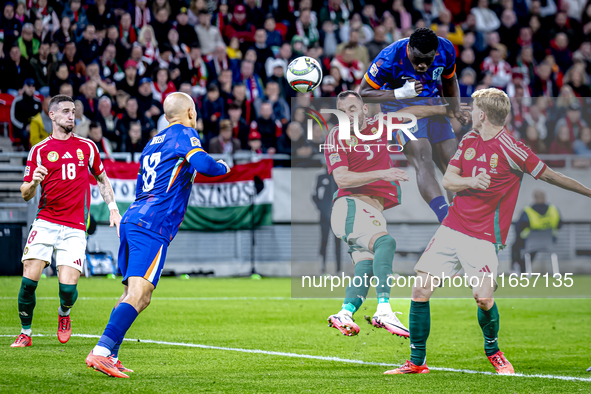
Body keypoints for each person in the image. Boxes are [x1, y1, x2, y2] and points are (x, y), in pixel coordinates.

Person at [385, 88, 591, 375]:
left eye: (474, 108)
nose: (469, 112)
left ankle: (493, 350)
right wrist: (472, 181)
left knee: (483, 298)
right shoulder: (469, 139)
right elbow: (448, 180)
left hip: (483, 235)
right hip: (452, 226)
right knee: (420, 289)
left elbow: (553, 176)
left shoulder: (513, 149)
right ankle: (416, 361)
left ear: (482, 114)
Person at [85, 92, 230, 378]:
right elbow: (205, 166)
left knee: (133, 292)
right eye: (195, 111)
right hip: (152, 224)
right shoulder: (184, 134)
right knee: (140, 293)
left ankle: (111, 354)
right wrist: (224, 166)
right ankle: (101, 352)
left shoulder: (153, 142)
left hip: (134, 218)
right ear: (190, 112)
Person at [11, 95, 120, 349]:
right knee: (29, 281)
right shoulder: (39, 150)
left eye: (74, 111)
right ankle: (25, 332)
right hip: (46, 221)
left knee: (68, 290)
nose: (72, 116)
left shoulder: (88, 147)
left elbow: (103, 179)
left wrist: (113, 208)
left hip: (75, 227)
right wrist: (34, 182)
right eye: (67, 112)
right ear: (52, 115)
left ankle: (64, 313)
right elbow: (25, 192)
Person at [324, 91, 411, 338]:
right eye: (343, 110)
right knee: (386, 242)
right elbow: (341, 177)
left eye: (353, 108)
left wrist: (446, 108)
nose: (348, 114)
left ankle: (344, 313)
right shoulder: (336, 136)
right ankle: (384, 309)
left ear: (364, 110)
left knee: (367, 267)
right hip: (350, 207)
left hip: (367, 212)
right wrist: (383, 173)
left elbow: (411, 115)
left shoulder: (378, 125)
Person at [360, 27, 469, 223]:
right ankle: (445, 218)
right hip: (399, 107)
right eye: (417, 59)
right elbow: (363, 93)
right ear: (409, 48)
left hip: (432, 102)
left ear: (435, 53)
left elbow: (450, 78)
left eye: (427, 60)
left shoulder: (446, 49)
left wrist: (455, 107)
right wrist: (400, 93)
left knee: (453, 163)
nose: (421, 65)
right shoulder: (388, 58)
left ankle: (460, 218)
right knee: (423, 158)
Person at [512, 190, 562, 274]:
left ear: (534, 198)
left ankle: (516, 268)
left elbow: (518, 228)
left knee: (516, 246)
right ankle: (522, 268)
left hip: (530, 242)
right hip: (549, 242)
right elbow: (560, 225)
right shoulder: (553, 210)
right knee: (532, 250)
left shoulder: (528, 211)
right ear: (545, 197)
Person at [10, 79, 42, 149]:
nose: (31, 88)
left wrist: (33, 127)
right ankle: (28, 156)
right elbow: (13, 118)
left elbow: (41, 117)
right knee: (25, 134)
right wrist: (24, 126)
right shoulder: (17, 101)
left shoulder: (38, 102)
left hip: (35, 127)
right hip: (20, 128)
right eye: (29, 86)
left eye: (33, 86)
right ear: (24, 87)